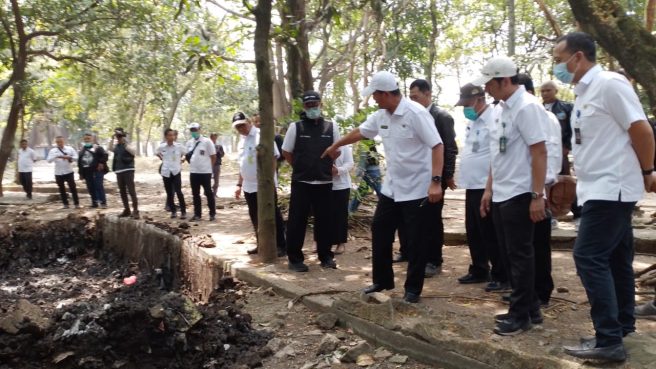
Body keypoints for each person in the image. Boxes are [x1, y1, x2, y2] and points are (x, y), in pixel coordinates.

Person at [553, 32, 655, 362]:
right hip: (597, 187)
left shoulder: (610, 83)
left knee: (588, 257)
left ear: (578, 57)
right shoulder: (584, 93)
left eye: (559, 59)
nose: (558, 67)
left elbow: (641, 129)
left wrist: (648, 170)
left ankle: (608, 339)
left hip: (613, 188)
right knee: (615, 259)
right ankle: (622, 328)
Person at [322, 71, 444, 303]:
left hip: (417, 188)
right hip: (392, 188)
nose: (374, 100)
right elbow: (360, 132)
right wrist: (336, 144)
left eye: (376, 95)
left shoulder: (416, 113)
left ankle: (412, 290)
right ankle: (383, 280)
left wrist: (436, 182)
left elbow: (437, 145)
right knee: (380, 230)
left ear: (386, 93)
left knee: (416, 241)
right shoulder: (381, 115)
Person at [475, 56, 548, 336]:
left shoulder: (527, 107)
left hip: (521, 191)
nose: (487, 90)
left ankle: (521, 316)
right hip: (502, 192)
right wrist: (489, 189)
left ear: (504, 80)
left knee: (520, 255)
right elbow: (498, 152)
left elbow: (539, 151)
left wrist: (537, 195)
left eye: (490, 84)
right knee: (508, 255)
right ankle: (530, 308)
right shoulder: (501, 109)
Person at [454, 83, 506, 289]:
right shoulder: (473, 122)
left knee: (490, 232)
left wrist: (489, 187)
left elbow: (497, 153)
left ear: (479, 99)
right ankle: (479, 269)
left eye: (467, 104)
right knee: (474, 230)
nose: (466, 109)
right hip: (472, 184)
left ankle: (501, 274)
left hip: (486, 185)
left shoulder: (494, 119)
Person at [282, 90, 340, 272]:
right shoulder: (296, 127)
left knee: (325, 221)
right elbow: (286, 152)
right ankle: (295, 259)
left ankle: (326, 256)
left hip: (324, 182)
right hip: (302, 182)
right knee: (297, 221)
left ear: (321, 105)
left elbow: (337, 150)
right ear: (304, 107)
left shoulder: (331, 127)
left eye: (315, 104)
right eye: (309, 105)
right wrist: (300, 167)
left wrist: (326, 163)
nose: (312, 108)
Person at [408, 79, 458, 277]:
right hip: (417, 177)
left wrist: (447, 176)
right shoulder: (413, 116)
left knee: (432, 219)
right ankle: (418, 255)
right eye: (410, 97)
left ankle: (434, 260)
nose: (412, 101)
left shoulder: (441, 117)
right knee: (418, 219)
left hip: (435, 178)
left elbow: (450, 148)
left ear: (428, 94)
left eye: (416, 97)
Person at [518, 73, 559, 307]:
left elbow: (546, 154)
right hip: (531, 185)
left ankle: (540, 291)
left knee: (537, 244)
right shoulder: (532, 113)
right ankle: (530, 289)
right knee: (529, 243)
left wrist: (540, 191)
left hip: (537, 187)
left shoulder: (542, 116)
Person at [232, 112, 287, 257]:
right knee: (254, 215)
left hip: (264, 185)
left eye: (242, 125)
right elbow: (242, 165)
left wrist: (269, 179)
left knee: (273, 214)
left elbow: (274, 158)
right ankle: (261, 244)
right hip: (248, 186)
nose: (241, 128)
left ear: (248, 122)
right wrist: (239, 184)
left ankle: (281, 245)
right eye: (238, 127)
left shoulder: (261, 136)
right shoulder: (241, 141)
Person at [540, 80, 573, 176]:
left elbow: (572, 128)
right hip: (543, 150)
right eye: (542, 91)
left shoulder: (567, 107)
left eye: (548, 90)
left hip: (562, 150)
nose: (545, 93)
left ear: (556, 91)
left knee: (563, 180)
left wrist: (567, 146)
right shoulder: (537, 108)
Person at [186, 122, 217, 221]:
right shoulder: (189, 143)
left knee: (208, 192)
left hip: (205, 172)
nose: (194, 132)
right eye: (192, 130)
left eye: (195, 130)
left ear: (199, 130)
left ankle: (212, 214)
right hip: (193, 172)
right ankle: (197, 214)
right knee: (195, 194)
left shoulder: (207, 141)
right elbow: (188, 156)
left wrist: (209, 168)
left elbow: (213, 156)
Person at [327, 145, 354, 254]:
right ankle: (320, 241)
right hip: (323, 183)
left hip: (341, 185)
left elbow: (350, 163)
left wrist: (338, 170)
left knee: (341, 215)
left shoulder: (344, 146)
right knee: (322, 214)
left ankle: (340, 243)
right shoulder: (321, 141)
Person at [109, 128, 139, 219]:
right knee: (122, 191)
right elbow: (110, 149)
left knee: (131, 190)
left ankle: (136, 211)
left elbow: (133, 152)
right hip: (119, 171)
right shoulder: (116, 145)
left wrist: (124, 142)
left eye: (119, 135)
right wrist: (112, 138)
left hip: (128, 170)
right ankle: (127, 209)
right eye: (117, 135)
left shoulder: (127, 143)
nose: (118, 137)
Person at [156, 128, 187, 219]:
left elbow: (185, 153)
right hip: (166, 172)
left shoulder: (178, 146)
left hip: (176, 171)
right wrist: (162, 158)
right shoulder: (162, 146)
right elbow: (156, 152)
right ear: (166, 136)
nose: (172, 137)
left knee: (178, 191)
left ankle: (183, 211)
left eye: (173, 135)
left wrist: (183, 159)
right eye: (169, 135)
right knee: (169, 193)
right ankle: (173, 211)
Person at [348, 139, 382, 213]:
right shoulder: (371, 145)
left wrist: (357, 175)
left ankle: (391, 210)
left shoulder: (364, 145)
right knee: (361, 192)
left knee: (380, 192)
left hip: (370, 172)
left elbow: (362, 162)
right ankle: (350, 210)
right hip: (374, 170)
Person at [47, 136, 80, 209]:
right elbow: (48, 160)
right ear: (56, 142)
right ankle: (65, 204)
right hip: (58, 173)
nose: (59, 143)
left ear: (63, 141)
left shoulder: (70, 149)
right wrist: (56, 156)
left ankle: (76, 203)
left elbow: (77, 158)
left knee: (73, 188)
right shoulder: (53, 151)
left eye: (61, 141)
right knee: (61, 189)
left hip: (69, 171)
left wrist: (69, 157)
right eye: (58, 142)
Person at [78, 133, 109, 209]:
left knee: (98, 186)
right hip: (87, 172)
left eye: (88, 138)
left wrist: (101, 162)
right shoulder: (82, 150)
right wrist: (81, 173)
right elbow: (79, 162)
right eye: (85, 139)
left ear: (92, 139)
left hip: (97, 170)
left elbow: (105, 155)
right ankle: (94, 202)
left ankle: (103, 202)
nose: (87, 140)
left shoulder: (97, 147)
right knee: (90, 187)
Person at [209, 133, 225, 197]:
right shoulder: (208, 145)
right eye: (213, 137)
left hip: (217, 164)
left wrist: (219, 153)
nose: (214, 139)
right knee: (208, 178)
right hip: (209, 164)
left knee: (216, 179)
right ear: (211, 137)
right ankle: (208, 192)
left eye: (215, 137)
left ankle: (214, 193)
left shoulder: (219, 146)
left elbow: (223, 154)